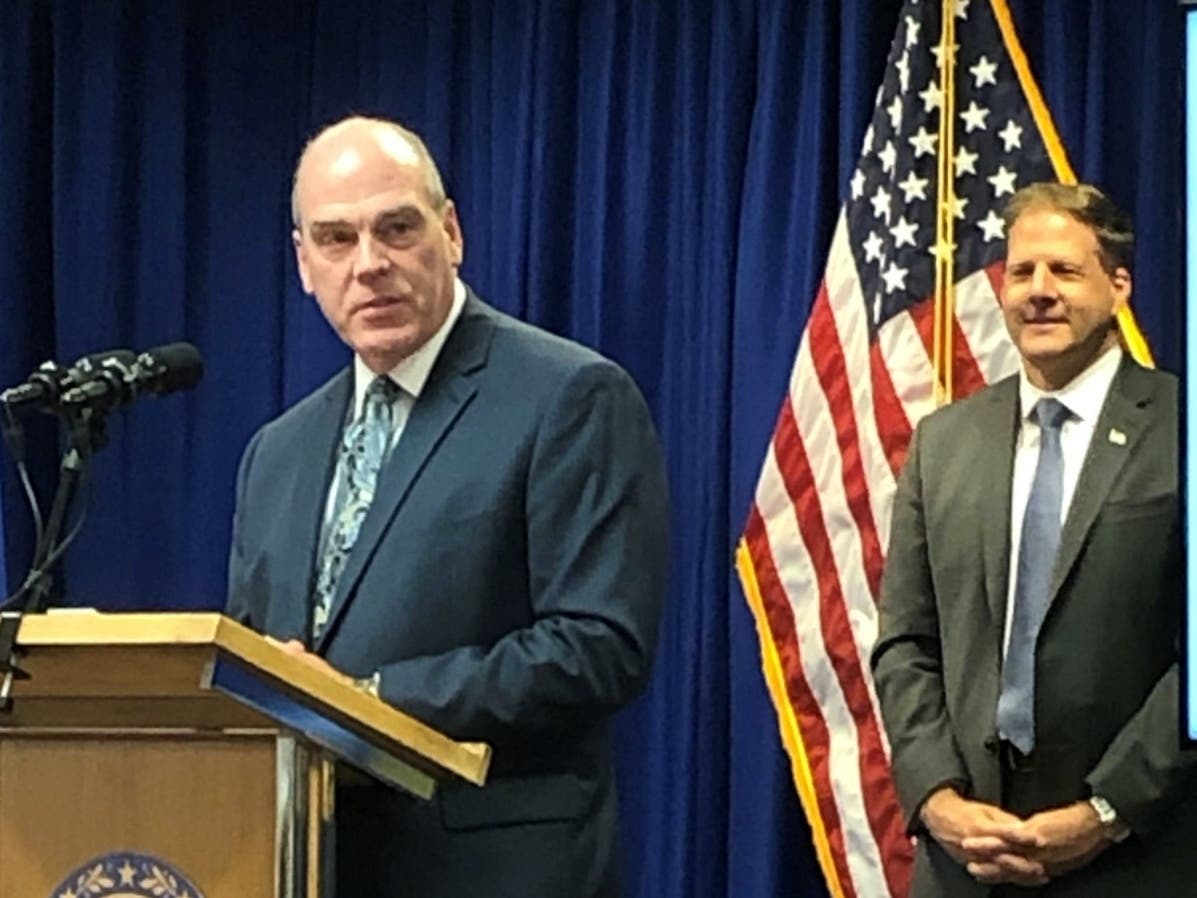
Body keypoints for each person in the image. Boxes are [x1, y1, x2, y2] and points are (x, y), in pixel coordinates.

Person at [226, 115, 669, 898]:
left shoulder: (568, 396)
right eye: (335, 239)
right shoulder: (277, 451)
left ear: (452, 232)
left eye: (395, 228)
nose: (369, 265)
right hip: (308, 866)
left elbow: (599, 647)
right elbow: (258, 669)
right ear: (303, 263)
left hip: (494, 870)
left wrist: (364, 701)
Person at [872, 182, 1197, 896]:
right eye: (1021, 272)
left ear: (1117, 287)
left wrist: (1105, 811)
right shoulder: (942, 443)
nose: (1037, 292)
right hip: (965, 861)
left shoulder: (1183, 430)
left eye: (1064, 271)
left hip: (1138, 858)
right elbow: (904, 641)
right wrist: (938, 801)